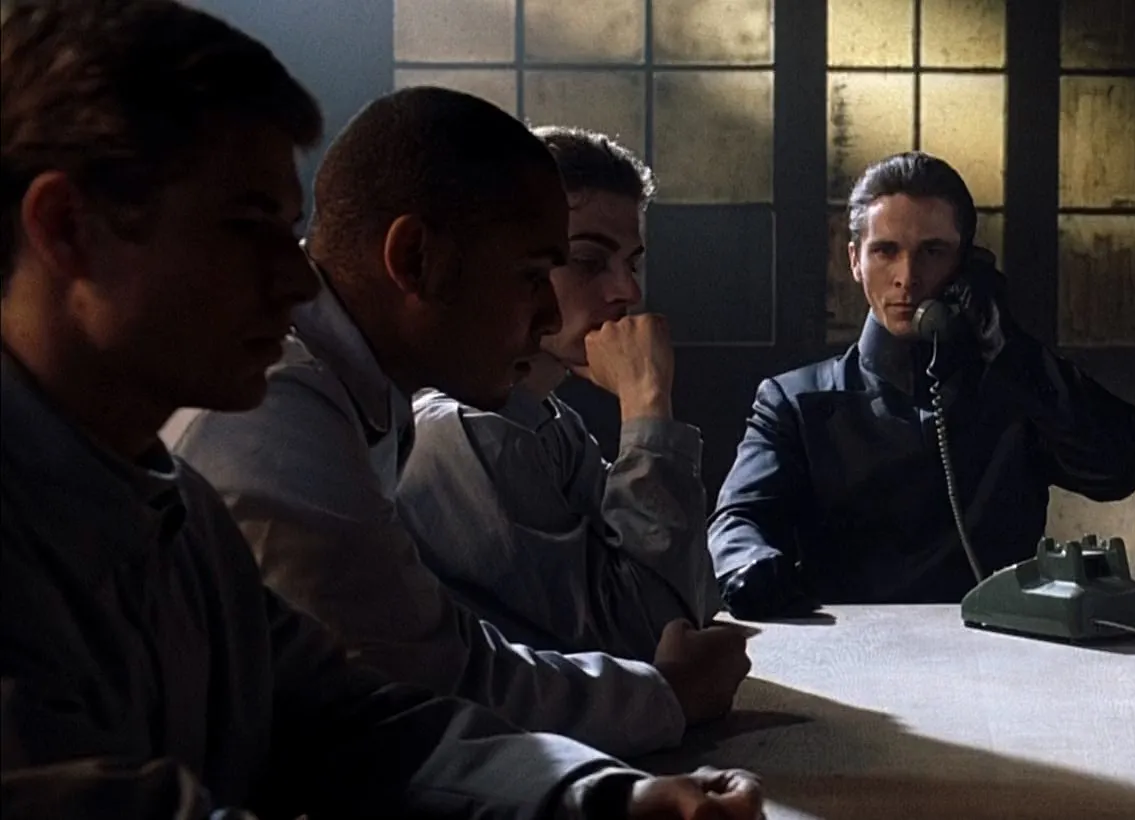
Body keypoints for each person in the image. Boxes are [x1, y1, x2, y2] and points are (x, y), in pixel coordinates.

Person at [0, 2, 761, 817]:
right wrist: (653, 710)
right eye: (248, 226)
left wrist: (611, 800)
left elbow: (355, 717)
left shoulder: (178, 509)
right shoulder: (262, 422)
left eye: (288, 227)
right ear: (68, 229)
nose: (295, 278)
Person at [164, 87, 745, 759]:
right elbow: (420, 684)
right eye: (532, 274)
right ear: (415, 259)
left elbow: (449, 650)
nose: (550, 315)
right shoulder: (272, 404)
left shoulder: (361, 394)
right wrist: (665, 696)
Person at [709, 151, 1135, 618]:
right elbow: (739, 517)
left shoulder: (1017, 390)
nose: (907, 277)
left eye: (933, 252)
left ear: (967, 264)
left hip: (1001, 647)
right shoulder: (794, 401)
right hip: (849, 648)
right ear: (855, 260)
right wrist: (751, 564)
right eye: (886, 251)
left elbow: (1123, 467)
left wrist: (1013, 352)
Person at [398, 126, 724, 662]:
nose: (628, 291)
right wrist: (647, 405)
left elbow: (694, 599)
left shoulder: (552, 422)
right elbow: (649, 640)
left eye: (632, 263)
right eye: (588, 261)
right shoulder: (460, 433)